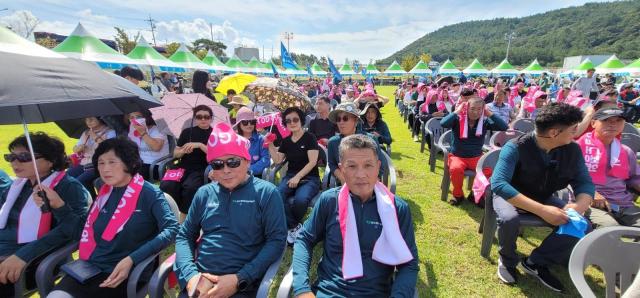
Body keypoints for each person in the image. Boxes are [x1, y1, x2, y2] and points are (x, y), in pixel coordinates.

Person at [48, 138, 178, 297]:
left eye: (112, 162)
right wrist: (59, 206)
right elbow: (81, 233)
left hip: (128, 273)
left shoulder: (149, 193)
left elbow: (172, 229)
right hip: (89, 268)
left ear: (129, 163)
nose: (105, 169)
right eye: (101, 163)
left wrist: (132, 259)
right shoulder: (104, 193)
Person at [292, 134, 419, 297]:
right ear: (341, 169)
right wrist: (302, 288)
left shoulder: (397, 209)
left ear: (378, 166)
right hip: (329, 291)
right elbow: (305, 239)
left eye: (368, 165)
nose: (360, 174)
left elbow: (408, 263)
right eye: (352, 166)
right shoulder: (329, 201)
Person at [174, 122, 286, 298]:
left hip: (241, 285)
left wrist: (239, 279)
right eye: (217, 164)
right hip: (200, 283)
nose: (225, 170)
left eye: (233, 162)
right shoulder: (204, 193)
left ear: (247, 161)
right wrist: (190, 276)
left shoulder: (267, 193)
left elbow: (277, 241)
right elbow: (185, 235)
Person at [491, 103, 594, 292]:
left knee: (583, 224)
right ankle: (507, 260)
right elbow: (499, 184)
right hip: (510, 196)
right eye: (573, 129)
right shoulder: (515, 147)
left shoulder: (572, 150)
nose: (577, 133)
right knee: (509, 219)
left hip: (543, 196)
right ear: (554, 132)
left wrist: (579, 205)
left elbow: (584, 182)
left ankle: (535, 262)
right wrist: (542, 210)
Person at [0, 133, 89, 297]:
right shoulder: (18, 185)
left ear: (51, 160)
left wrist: (23, 255)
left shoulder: (68, 187)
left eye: (24, 157)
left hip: (34, 258)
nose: (15, 162)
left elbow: (72, 231)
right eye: (10, 157)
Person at [578, 107, 640, 228]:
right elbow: (567, 178)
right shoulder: (578, 147)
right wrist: (591, 193)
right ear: (593, 123)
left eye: (618, 121)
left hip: (623, 204)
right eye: (606, 120)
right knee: (609, 229)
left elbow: (635, 179)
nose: (613, 124)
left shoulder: (626, 151)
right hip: (588, 202)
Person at [440, 97, 508, 205]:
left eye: (479, 109)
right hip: (458, 156)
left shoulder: (485, 122)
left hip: (476, 157)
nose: (476, 112)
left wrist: (489, 113)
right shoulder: (457, 120)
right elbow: (443, 123)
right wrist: (457, 111)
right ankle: (458, 195)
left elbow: (504, 127)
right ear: (466, 108)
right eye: (472, 109)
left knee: (488, 170)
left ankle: (475, 195)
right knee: (456, 169)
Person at [268, 107, 320, 244]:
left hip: (309, 178)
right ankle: (295, 227)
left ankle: (288, 226)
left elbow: (312, 162)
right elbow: (278, 160)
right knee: (277, 195)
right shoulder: (286, 141)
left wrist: (298, 177)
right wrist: (270, 145)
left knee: (301, 200)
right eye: (288, 120)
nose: (292, 122)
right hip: (290, 175)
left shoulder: (310, 138)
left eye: (295, 119)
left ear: (301, 120)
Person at [160, 105, 213, 222]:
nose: (203, 119)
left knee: (190, 188)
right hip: (182, 166)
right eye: (199, 117)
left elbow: (214, 155)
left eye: (206, 117)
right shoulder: (187, 132)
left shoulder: (215, 134)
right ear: (195, 118)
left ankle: (184, 218)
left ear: (211, 118)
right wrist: (183, 151)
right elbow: (175, 154)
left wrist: (199, 145)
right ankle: (170, 214)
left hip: (201, 168)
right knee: (167, 185)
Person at [327, 102, 386, 182]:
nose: (341, 122)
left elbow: (381, 163)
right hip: (344, 184)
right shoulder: (333, 142)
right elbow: (332, 164)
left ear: (356, 121)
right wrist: (342, 178)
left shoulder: (370, 139)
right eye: (338, 119)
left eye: (345, 118)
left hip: (369, 183)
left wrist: (372, 183)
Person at [67, 117, 116, 198]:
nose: (88, 122)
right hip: (84, 163)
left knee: (80, 181)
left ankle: (92, 201)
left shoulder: (110, 132)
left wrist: (95, 137)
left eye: (91, 119)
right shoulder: (86, 133)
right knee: (67, 177)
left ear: (100, 119)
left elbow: (109, 149)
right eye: (86, 119)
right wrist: (78, 148)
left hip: (98, 164)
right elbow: (75, 148)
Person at [126, 110, 170, 180]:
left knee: (132, 176)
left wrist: (143, 133)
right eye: (131, 117)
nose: (134, 120)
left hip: (155, 165)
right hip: (140, 162)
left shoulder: (158, 129)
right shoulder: (133, 132)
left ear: (146, 117)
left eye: (138, 117)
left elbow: (156, 147)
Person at [234, 107, 270, 178]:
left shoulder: (261, 139)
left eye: (252, 122)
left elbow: (265, 159)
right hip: (235, 175)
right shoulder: (233, 139)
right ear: (239, 124)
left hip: (254, 177)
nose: (249, 125)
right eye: (245, 122)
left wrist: (248, 170)